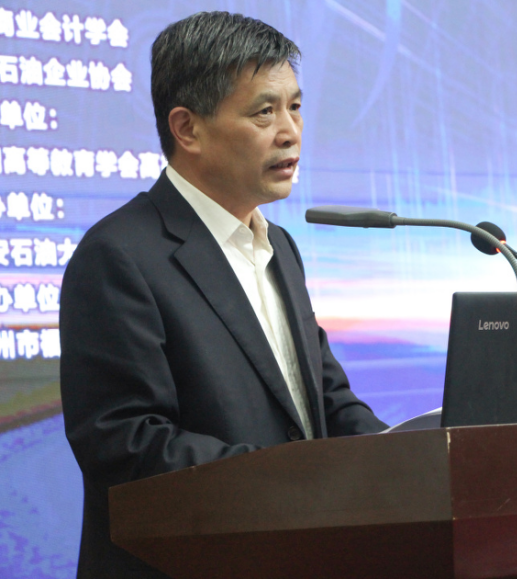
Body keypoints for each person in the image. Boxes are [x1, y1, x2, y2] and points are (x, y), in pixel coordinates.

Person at [59, 12, 388, 579]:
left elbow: (325, 399)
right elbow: (128, 445)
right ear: (187, 129)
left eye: (295, 106)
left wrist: (406, 457)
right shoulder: (119, 256)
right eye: (264, 112)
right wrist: (302, 478)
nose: (290, 131)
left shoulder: (278, 246)